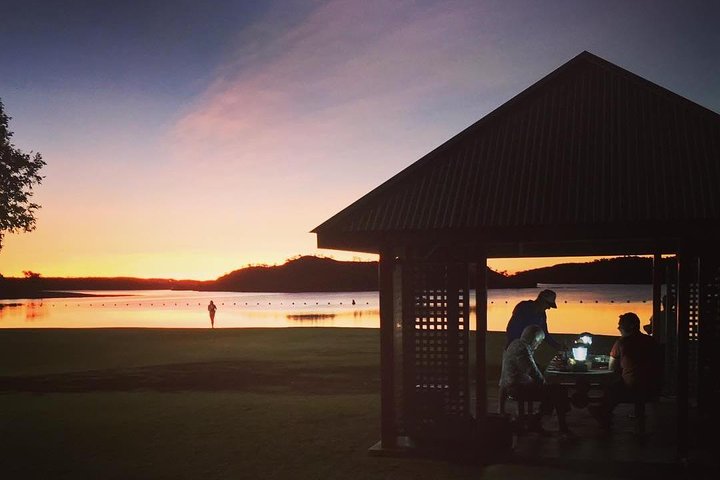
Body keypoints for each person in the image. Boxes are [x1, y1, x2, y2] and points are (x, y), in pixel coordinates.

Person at [590, 312, 661, 429]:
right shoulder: (651, 341)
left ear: (631, 326)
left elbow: (612, 368)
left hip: (631, 389)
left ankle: (604, 413)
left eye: (621, 325)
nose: (618, 328)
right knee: (637, 378)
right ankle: (639, 415)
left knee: (611, 386)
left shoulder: (621, 343)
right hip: (653, 388)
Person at [499, 324, 572, 436]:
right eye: (539, 342)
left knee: (555, 391)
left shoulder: (515, 344)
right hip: (519, 388)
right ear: (534, 339)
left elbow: (531, 367)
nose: (538, 345)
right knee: (558, 391)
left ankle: (538, 419)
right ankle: (554, 424)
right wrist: (544, 383)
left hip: (515, 385)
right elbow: (532, 371)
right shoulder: (522, 349)